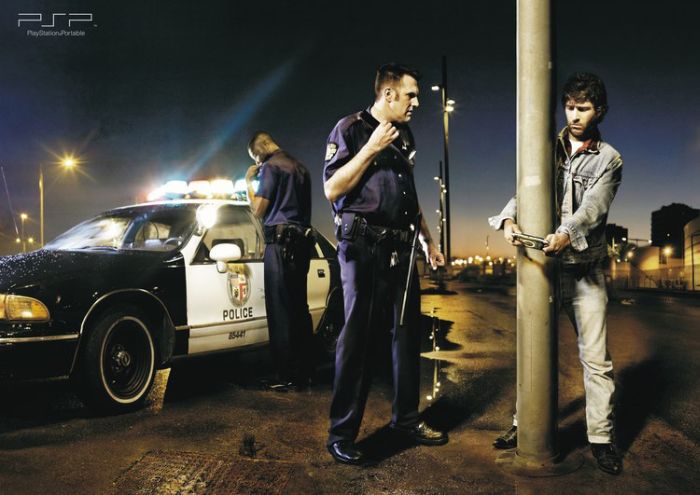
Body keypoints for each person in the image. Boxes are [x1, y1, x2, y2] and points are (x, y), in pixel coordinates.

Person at [489, 72, 624, 475]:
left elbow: (594, 207)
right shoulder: (547, 146)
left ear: (600, 111)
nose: (575, 115)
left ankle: (601, 440)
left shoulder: (609, 159)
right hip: (544, 271)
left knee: (596, 361)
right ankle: (524, 425)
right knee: (532, 351)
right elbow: (527, 189)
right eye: (569, 107)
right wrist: (509, 218)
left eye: (584, 108)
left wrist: (566, 233)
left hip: (585, 273)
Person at [323, 63, 448, 465]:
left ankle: (406, 420)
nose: (416, 103)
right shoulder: (350, 128)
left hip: (402, 248)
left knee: (407, 337)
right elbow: (332, 188)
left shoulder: (405, 135)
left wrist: (427, 241)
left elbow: (408, 196)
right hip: (362, 246)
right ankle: (342, 434)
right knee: (357, 340)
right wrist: (372, 148)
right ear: (388, 94)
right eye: (411, 95)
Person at [245, 132, 314, 392]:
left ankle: (284, 374)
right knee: (299, 308)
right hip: (301, 243)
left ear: (263, 146)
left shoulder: (270, 168)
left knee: (280, 311)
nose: (257, 161)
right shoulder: (301, 168)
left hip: (280, 244)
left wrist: (249, 181)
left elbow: (258, 209)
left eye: (255, 156)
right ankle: (305, 372)